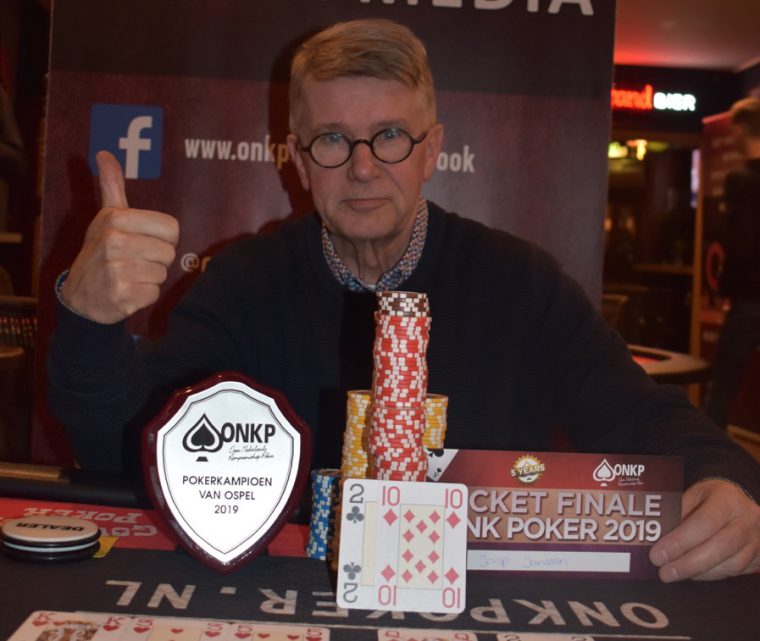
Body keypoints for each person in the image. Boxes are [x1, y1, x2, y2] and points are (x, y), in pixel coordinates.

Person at [48, 19, 760, 583]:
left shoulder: (521, 284)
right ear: (298, 159)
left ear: (431, 150)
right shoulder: (244, 283)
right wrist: (88, 322)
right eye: (333, 139)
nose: (362, 167)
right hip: (285, 600)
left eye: (389, 135)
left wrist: (726, 482)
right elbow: (126, 453)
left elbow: (642, 415)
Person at [704, 97, 760, 430]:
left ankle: (707, 454)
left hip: (750, 297)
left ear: (741, 130)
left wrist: (724, 287)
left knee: (723, 385)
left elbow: (742, 242)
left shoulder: (740, 180)